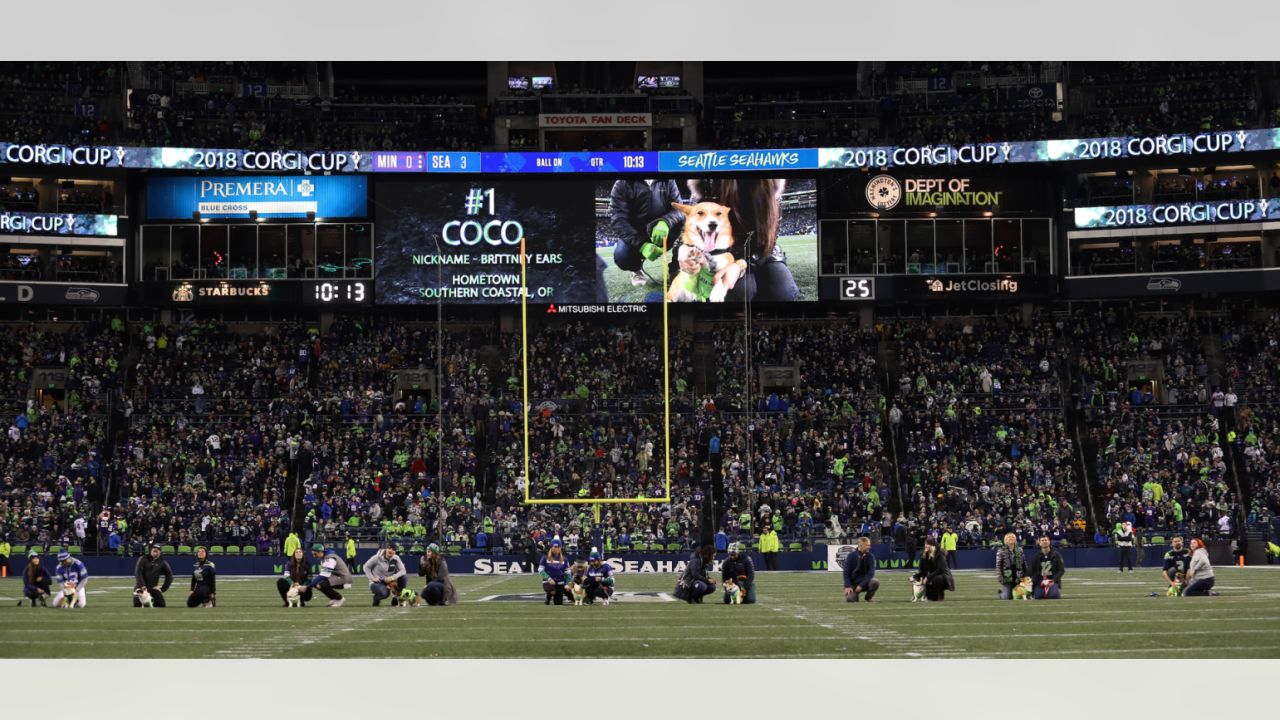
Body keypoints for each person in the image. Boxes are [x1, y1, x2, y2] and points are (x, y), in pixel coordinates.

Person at [683, 178, 801, 302]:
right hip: (723, 255)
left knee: (783, 292)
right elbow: (690, 238)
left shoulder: (770, 185)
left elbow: (768, 238)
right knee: (739, 292)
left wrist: (740, 265)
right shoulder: (707, 186)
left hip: (761, 252)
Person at [608, 178, 685, 286]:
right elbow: (618, 219)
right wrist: (642, 245)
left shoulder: (668, 180)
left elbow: (679, 208)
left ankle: (676, 267)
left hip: (663, 232)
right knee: (622, 256)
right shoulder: (623, 183)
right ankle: (636, 269)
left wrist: (665, 222)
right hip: (637, 233)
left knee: (688, 219)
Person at [306, 543, 352, 607]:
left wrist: (308, 587)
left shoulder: (330, 558)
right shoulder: (324, 557)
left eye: (315, 554)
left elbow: (324, 575)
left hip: (343, 578)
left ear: (320, 552)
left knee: (321, 584)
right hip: (337, 576)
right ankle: (334, 598)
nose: (314, 556)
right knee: (317, 584)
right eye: (313, 554)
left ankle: (339, 599)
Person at [134, 543, 174, 608]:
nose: (155, 550)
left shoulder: (162, 562)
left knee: (161, 605)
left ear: (160, 552)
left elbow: (170, 576)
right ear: (150, 550)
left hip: (153, 589)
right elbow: (138, 573)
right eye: (154, 548)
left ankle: (151, 601)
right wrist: (142, 586)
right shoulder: (143, 559)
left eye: (158, 549)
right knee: (137, 605)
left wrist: (162, 589)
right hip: (141, 589)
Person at [913, 537, 953, 601]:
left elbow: (940, 570)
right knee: (915, 577)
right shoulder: (923, 553)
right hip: (931, 575)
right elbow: (921, 569)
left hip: (942, 575)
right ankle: (917, 596)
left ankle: (941, 594)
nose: (925, 546)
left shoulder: (939, 554)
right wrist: (916, 577)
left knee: (938, 578)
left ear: (932, 545)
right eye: (925, 544)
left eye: (927, 544)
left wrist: (927, 577)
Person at [842, 536, 879, 603]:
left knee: (875, 582)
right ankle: (855, 595)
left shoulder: (870, 557)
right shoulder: (851, 556)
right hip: (853, 584)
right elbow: (846, 572)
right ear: (860, 545)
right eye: (867, 545)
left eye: (869, 545)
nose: (869, 547)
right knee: (850, 600)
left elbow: (870, 573)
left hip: (865, 583)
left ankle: (868, 597)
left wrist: (861, 585)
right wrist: (847, 586)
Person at [995, 533, 1028, 600]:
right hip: (1007, 579)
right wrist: (1001, 578)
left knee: (1019, 596)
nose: (1011, 538)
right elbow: (998, 566)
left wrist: (1026, 576)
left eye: (1013, 537)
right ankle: (1001, 594)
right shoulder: (1001, 551)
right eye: (1009, 537)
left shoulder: (1020, 550)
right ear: (1005, 540)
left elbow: (1024, 564)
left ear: (1015, 540)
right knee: (1007, 597)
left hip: (1018, 577)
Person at [538, 538, 570, 605]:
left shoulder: (565, 559)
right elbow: (540, 570)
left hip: (560, 583)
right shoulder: (545, 557)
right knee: (552, 591)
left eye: (558, 547)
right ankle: (548, 596)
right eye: (555, 547)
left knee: (558, 603)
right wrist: (548, 578)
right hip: (548, 582)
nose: (556, 549)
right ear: (551, 547)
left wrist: (567, 584)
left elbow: (568, 573)